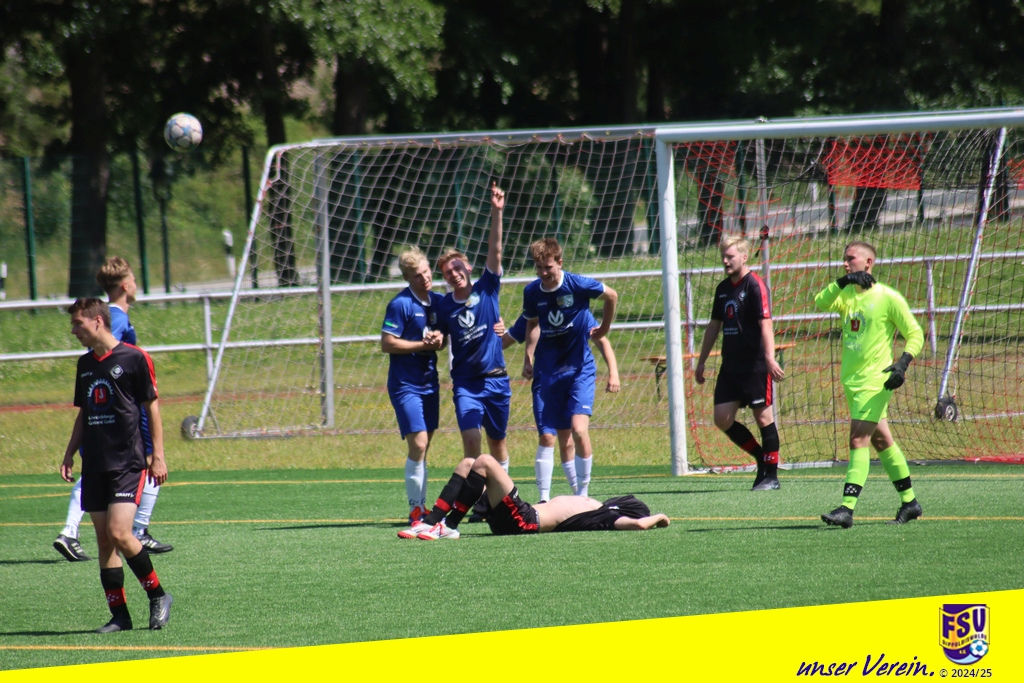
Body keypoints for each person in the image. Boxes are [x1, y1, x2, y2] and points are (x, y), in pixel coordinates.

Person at [61, 297, 172, 632]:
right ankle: (120, 616)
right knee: (104, 542)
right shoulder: (85, 364)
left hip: (127, 462)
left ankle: (158, 595)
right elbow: (84, 413)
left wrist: (158, 455)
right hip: (94, 463)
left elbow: (152, 407)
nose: (74, 331)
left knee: (120, 532)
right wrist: (69, 453)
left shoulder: (134, 358)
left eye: (78, 323)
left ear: (97, 321)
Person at [54, 257, 172, 562]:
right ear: (126, 285)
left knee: (136, 470)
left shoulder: (118, 316)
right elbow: (110, 360)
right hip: (118, 419)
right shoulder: (115, 320)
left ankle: (138, 529)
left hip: (124, 416)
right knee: (115, 467)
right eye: (134, 279)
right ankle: (71, 530)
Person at [413, 183, 510, 538]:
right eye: (447, 272)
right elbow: (438, 337)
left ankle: (497, 501)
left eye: (457, 267)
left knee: (498, 445)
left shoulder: (487, 288)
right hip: (467, 385)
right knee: (472, 446)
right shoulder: (443, 305)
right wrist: (435, 339)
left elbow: (495, 249)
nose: (454, 273)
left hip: (497, 379)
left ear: (467, 266)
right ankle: (465, 507)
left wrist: (497, 211)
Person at [814, 241, 925, 528]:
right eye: (844, 259)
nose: (845, 263)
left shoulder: (887, 297)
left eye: (851, 259)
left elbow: (915, 333)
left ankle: (846, 509)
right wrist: (843, 281)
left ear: (868, 263)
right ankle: (910, 503)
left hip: (875, 382)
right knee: (881, 441)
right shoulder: (846, 294)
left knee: (857, 440)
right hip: (852, 382)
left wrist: (902, 363)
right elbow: (820, 302)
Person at [515, 237, 619, 499]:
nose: (543, 273)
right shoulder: (532, 292)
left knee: (579, 429)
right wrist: (528, 357)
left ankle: (583, 495)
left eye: (548, 267)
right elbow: (532, 323)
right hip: (549, 372)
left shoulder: (577, 284)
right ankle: (556, 497)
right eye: (538, 267)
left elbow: (612, 295)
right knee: (557, 437)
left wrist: (604, 328)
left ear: (559, 262)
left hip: (579, 369)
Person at [694, 237, 786, 490]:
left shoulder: (755, 285)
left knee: (763, 418)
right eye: (723, 256)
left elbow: (765, 323)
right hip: (730, 367)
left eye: (730, 256)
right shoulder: (723, 289)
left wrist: (769, 358)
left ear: (744, 257)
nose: (725, 261)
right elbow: (714, 326)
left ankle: (771, 476)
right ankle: (760, 457)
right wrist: (701, 362)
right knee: (722, 419)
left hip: (755, 366)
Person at [399, 453, 668, 538]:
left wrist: (660, 517)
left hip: (525, 521)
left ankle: (448, 526)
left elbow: (638, 524)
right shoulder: (602, 508)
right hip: (522, 514)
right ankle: (430, 521)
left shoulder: (605, 517)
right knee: (469, 463)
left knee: (485, 462)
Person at [503, 310, 620, 502]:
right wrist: (492, 334)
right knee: (548, 436)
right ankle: (544, 498)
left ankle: (580, 495)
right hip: (546, 379)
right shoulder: (537, 307)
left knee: (575, 434)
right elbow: (508, 339)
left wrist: (613, 373)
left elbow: (601, 339)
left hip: (575, 376)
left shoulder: (576, 309)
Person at [380, 246, 445, 524]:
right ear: (407, 278)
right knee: (418, 444)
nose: (425, 278)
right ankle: (415, 510)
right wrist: (422, 345)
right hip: (405, 384)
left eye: (427, 272)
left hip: (429, 383)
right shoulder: (401, 304)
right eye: (418, 275)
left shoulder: (438, 301)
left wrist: (441, 340)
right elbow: (387, 343)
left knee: (423, 447)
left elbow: (446, 335)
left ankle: (421, 506)